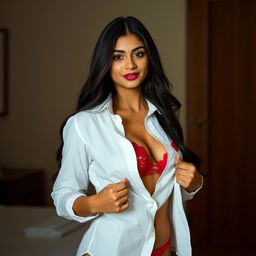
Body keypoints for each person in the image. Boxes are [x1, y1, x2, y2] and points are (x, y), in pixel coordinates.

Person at [51, 16, 203, 256]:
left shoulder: (162, 116)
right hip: (111, 248)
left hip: (164, 248)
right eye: (118, 56)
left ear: (149, 58)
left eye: (138, 54)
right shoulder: (84, 124)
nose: (130, 65)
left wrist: (194, 184)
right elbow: (63, 194)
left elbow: (162, 189)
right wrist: (93, 203)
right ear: (106, 62)